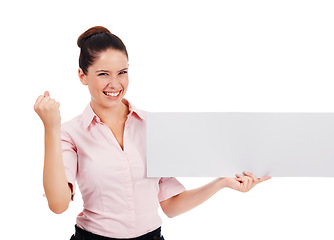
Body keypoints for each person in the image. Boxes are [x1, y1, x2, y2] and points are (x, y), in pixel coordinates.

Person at [34, 26, 272, 240]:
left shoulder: (152, 126)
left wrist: (221, 183)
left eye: (122, 72)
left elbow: (169, 205)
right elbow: (58, 205)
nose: (115, 84)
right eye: (103, 74)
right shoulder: (70, 133)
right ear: (82, 76)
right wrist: (51, 128)